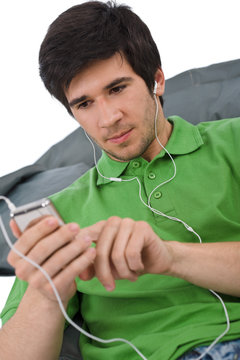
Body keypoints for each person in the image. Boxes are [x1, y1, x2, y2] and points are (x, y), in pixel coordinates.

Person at [0, 1, 240, 359]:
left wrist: (170, 257)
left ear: (156, 80)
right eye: (84, 104)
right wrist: (47, 295)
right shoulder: (61, 216)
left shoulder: (233, 143)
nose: (108, 118)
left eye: (117, 89)